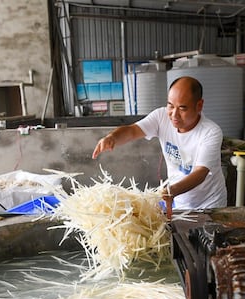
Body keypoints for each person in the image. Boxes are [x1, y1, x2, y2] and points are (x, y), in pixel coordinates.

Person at [92, 76, 227, 213]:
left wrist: (172, 190)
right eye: (170, 105)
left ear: (199, 106)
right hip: (177, 202)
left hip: (209, 205)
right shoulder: (161, 117)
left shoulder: (211, 132)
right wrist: (112, 137)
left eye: (182, 108)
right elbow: (132, 131)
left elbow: (200, 173)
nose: (174, 114)